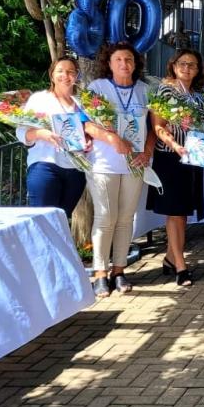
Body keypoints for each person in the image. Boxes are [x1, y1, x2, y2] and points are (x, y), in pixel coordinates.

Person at [82, 42, 156, 298]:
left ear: (135, 64)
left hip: (135, 165)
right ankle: (99, 273)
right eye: (119, 60)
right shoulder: (97, 89)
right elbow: (87, 126)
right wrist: (111, 139)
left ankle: (119, 270)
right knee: (105, 217)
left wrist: (146, 153)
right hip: (104, 164)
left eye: (129, 60)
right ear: (109, 63)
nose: (124, 64)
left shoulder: (146, 90)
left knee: (126, 218)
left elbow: (153, 128)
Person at [147, 49, 204, 287]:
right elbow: (158, 127)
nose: (187, 68)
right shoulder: (164, 90)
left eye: (192, 65)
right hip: (171, 158)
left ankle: (170, 258)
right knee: (174, 212)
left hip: (192, 158)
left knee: (182, 213)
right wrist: (175, 145)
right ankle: (181, 268)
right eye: (182, 63)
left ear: (198, 70)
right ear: (173, 66)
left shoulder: (198, 96)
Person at [17, 56, 88, 220]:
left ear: (77, 76)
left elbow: (88, 131)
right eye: (60, 71)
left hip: (76, 169)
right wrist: (41, 134)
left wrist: (89, 140)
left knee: (62, 222)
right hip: (45, 165)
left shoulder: (83, 103)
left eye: (71, 71)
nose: (66, 75)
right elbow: (21, 132)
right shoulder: (39, 99)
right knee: (42, 222)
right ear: (52, 75)